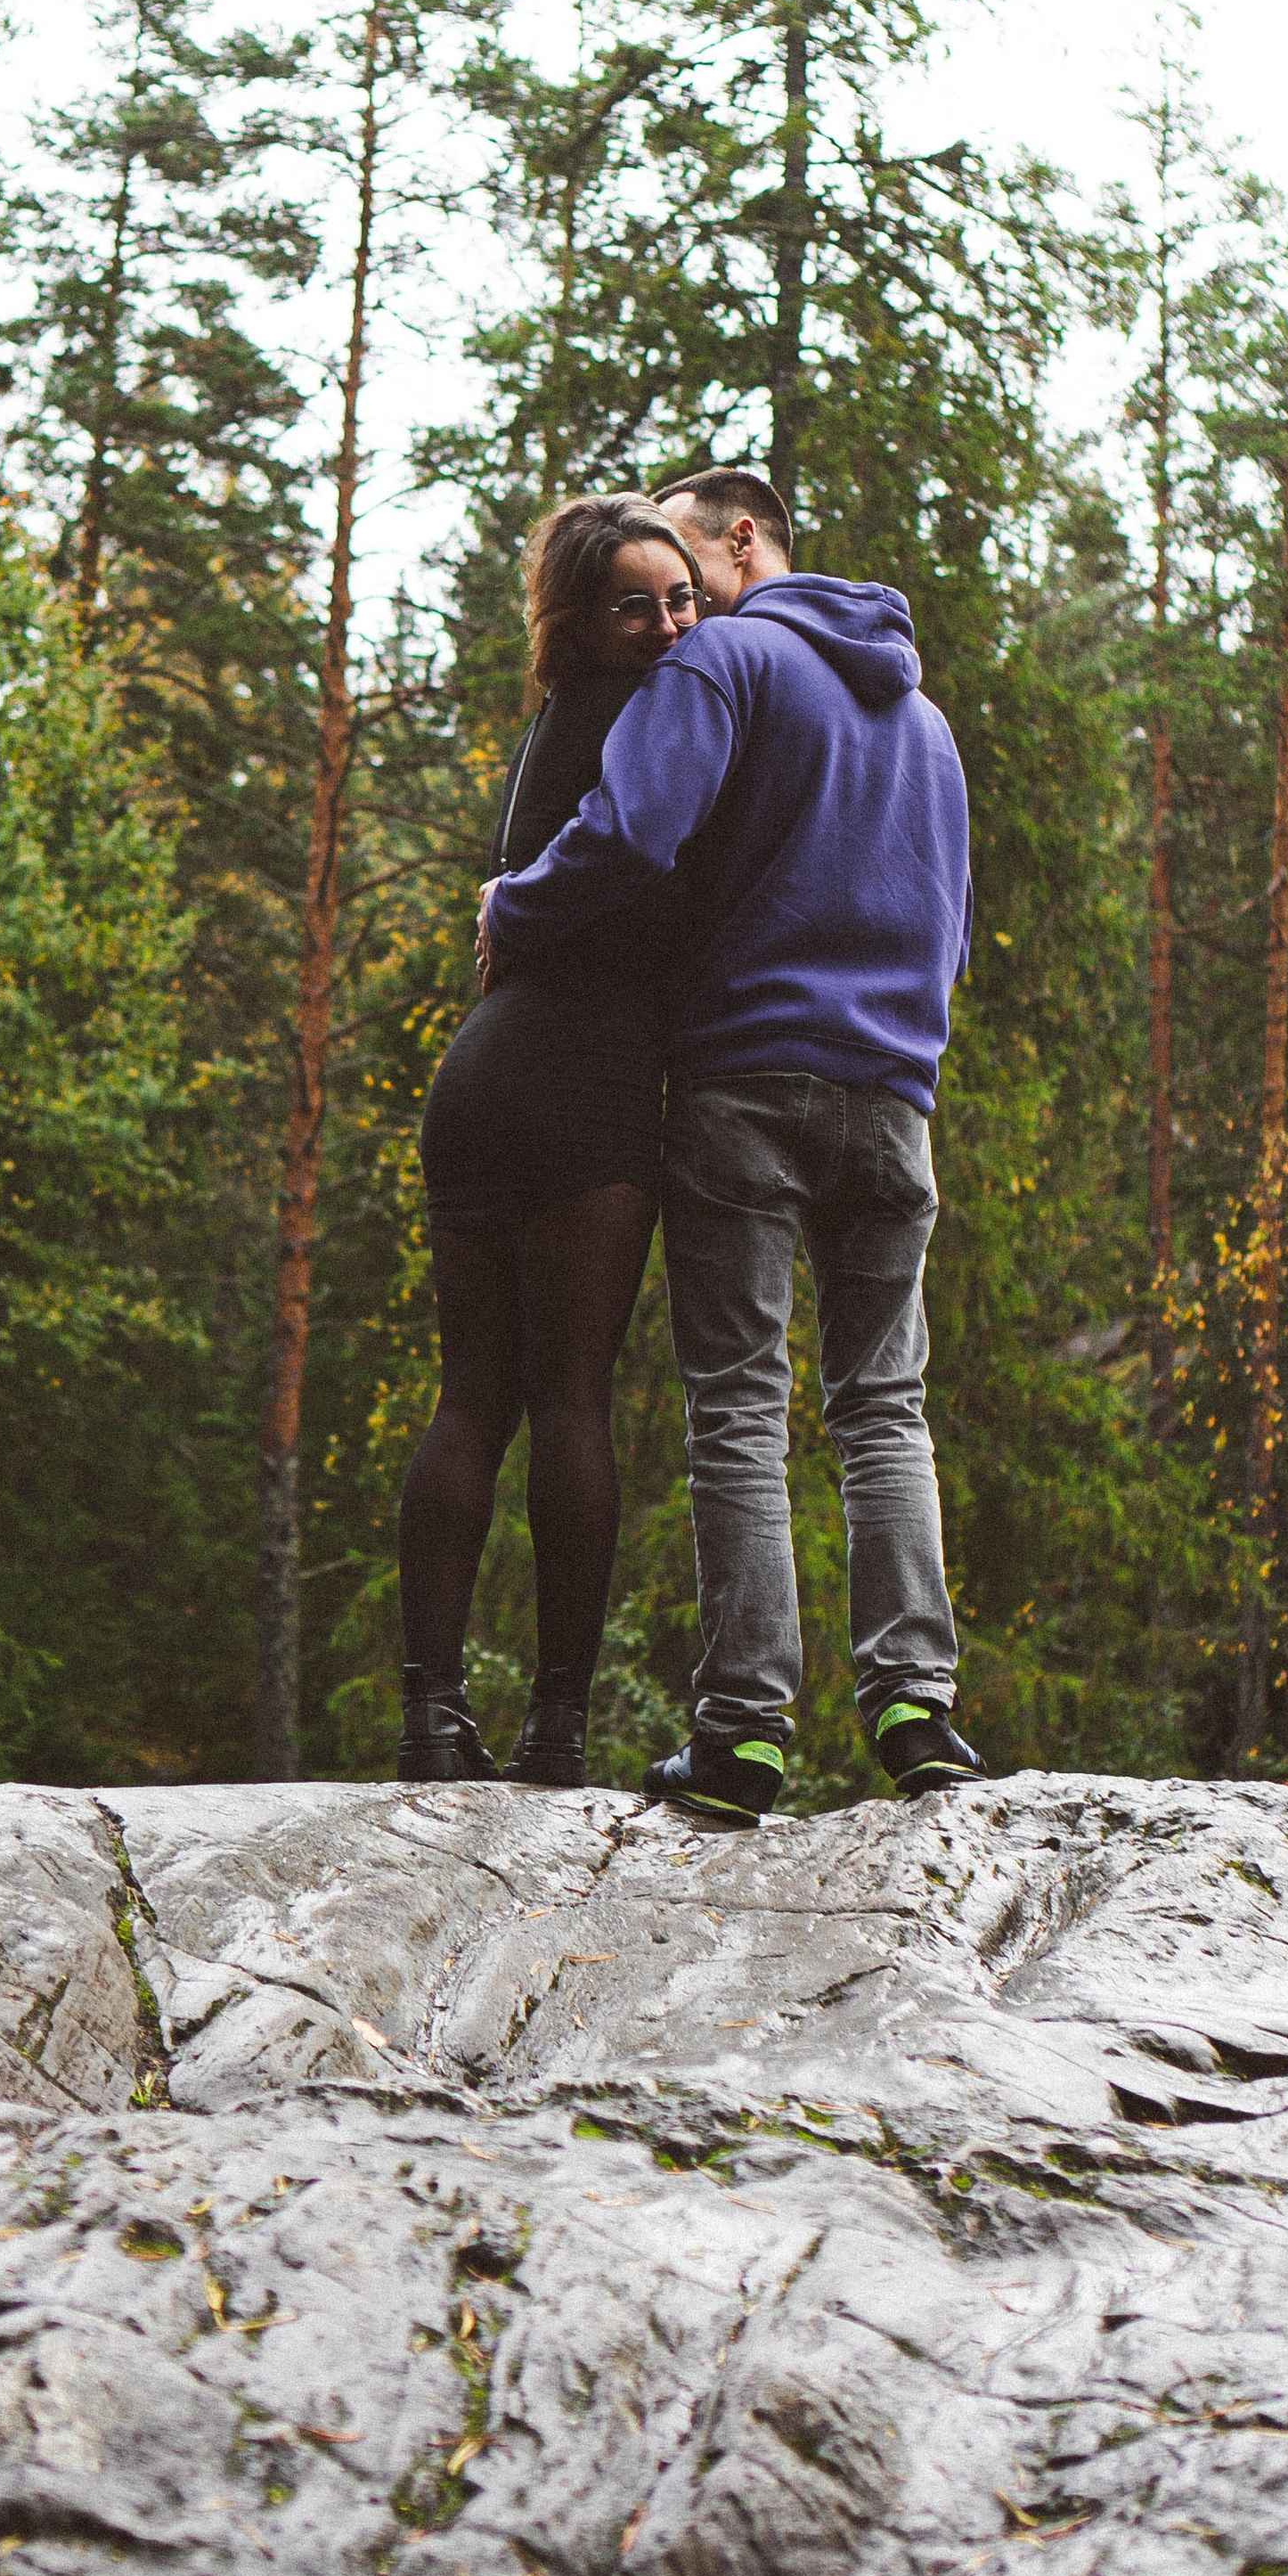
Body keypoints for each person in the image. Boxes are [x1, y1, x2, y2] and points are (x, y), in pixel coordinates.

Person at [478, 462, 987, 1826]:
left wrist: (512, 907)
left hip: (748, 1079)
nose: (677, 610)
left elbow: (633, 828)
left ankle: (744, 1737)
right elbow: (951, 924)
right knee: (884, 1404)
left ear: (741, 537)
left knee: (741, 1408)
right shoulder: (924, 718)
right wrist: (904, 1048)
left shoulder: (727, 665)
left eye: (688, 572)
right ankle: (915, 1710)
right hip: (894, 1092)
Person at [396, 494, 705, 1786]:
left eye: (681, 596)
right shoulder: (661, 720)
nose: (670, 622)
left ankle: (431, 1716)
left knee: (475, 1396)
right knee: (567, 1393)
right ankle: (556, 1731)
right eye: (636, 605)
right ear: (581, 622)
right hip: (581, 1077)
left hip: (481, 1072)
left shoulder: (550, 727)